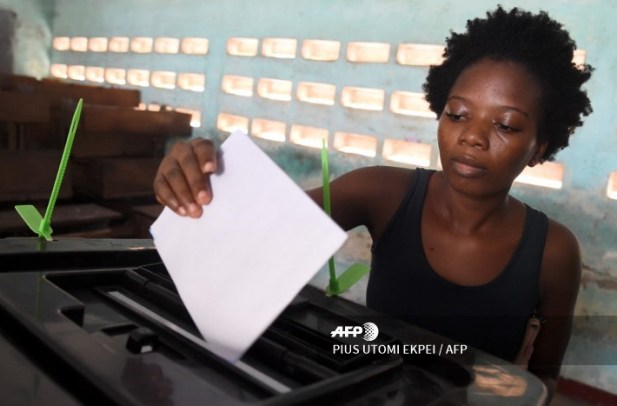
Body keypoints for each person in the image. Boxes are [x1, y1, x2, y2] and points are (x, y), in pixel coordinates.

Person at [153, 6, 593, 401]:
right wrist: (201, 172)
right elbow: (259, 225)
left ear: (539, 148)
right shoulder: (382, 193)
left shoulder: (553, 252)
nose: (472, 137)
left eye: (506, 125)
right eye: (457, 114)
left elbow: (543, 379)